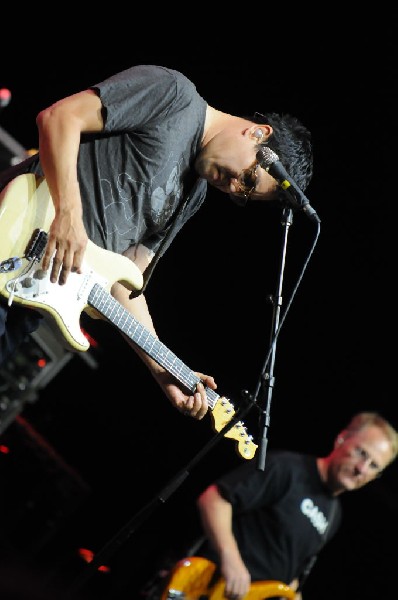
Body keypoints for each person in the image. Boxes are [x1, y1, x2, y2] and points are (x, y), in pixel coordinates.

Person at [0, 64, 313, 419]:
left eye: (245, 194)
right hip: (10, 231)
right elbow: (59, 118)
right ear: (257, 133)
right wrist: (69, 214)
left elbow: (125, 283)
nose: (235, 187)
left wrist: (163, 367)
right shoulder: (173, 94)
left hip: (30, 297)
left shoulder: (193, 197)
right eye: (249, 178)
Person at [165, 411, 398, 600]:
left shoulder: (334, 514)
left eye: (374, 466)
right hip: (207, 588)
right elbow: (214, 499)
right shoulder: (287, 468)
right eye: (361, 453)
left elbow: (289, 572)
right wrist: (232, 560)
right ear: (342, 439)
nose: (362, 468)